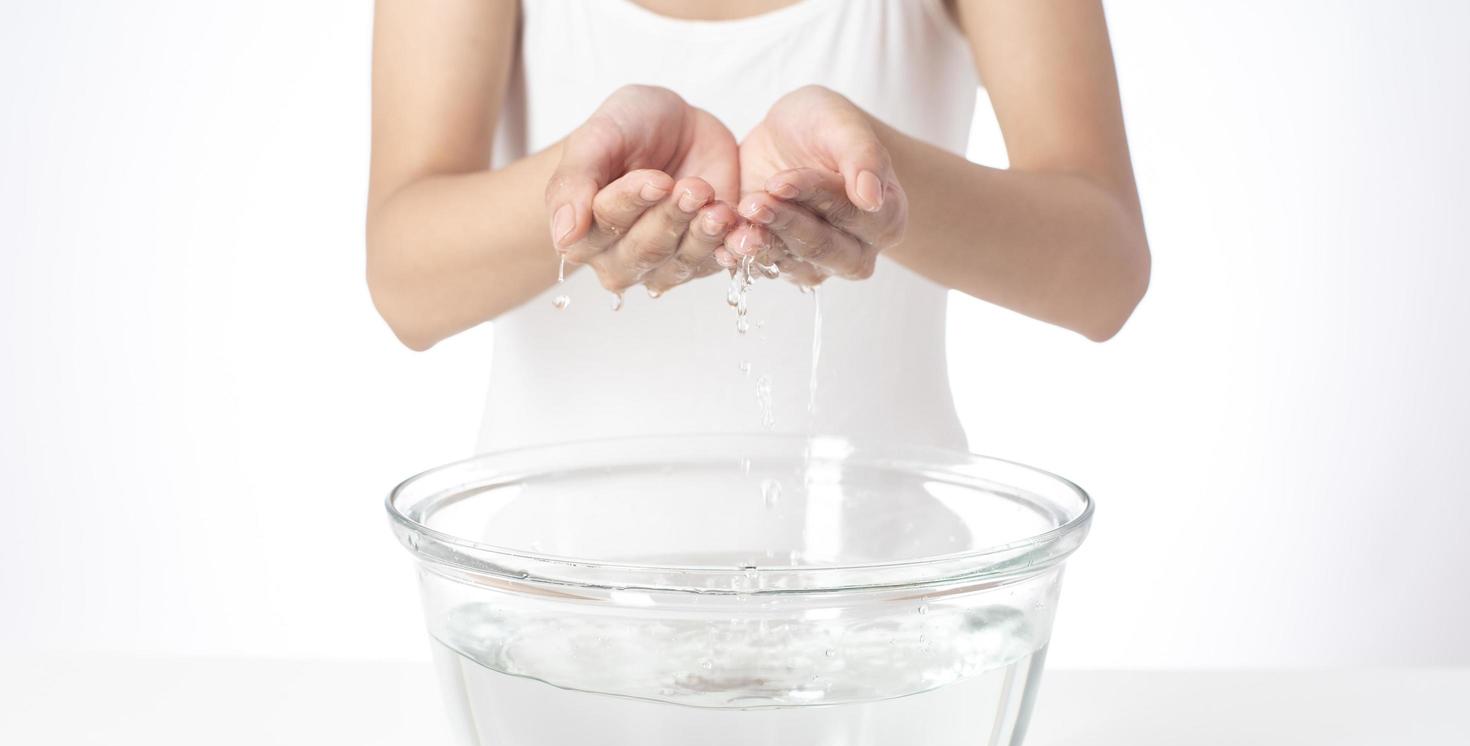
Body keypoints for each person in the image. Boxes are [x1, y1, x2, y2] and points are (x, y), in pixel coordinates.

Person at [366, 0, 1149, 453]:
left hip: (880, 614)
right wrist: (582, 182)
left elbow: (1105, 275)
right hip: (553, 616)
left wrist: (880, 183)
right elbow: (406, 286)